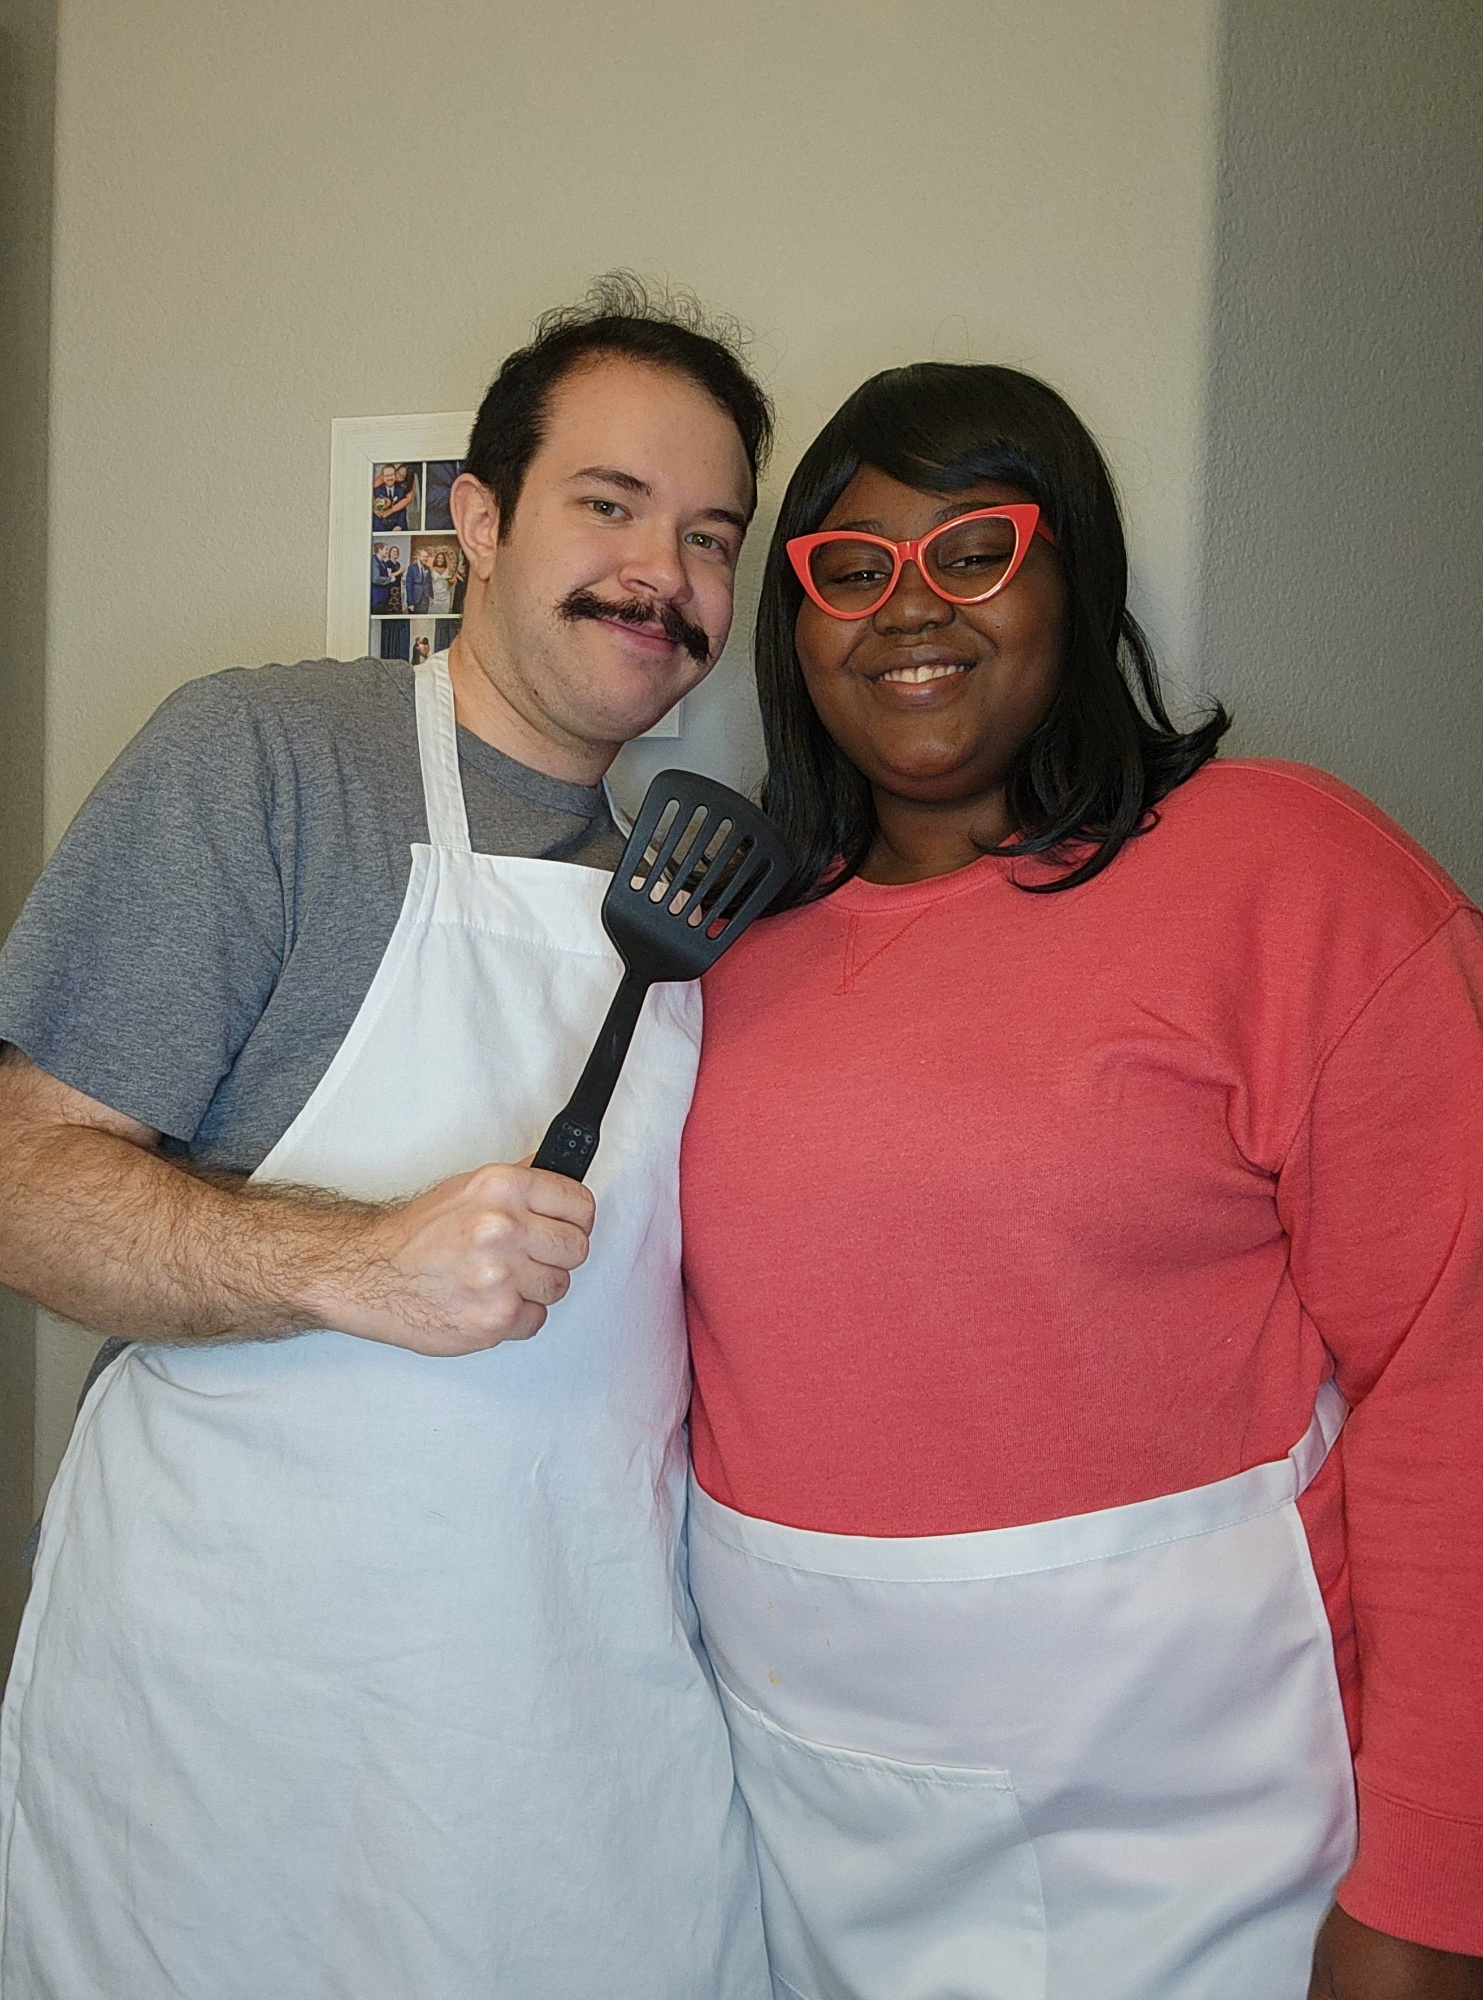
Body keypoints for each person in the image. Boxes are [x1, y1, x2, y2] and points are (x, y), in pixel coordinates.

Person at [0, 278, 774, 2000]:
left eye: (708, 538)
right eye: (608, 505)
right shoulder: (266, 762)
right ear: (477, 522)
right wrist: (357, 1262)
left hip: (562, 1704)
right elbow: (24, 1184)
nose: (660, 574)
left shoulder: (693, 901)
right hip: (235, 1719)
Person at [679, 363, 1483, 1999]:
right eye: (850, 567)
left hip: (1214, 1815)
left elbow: (1449, 1388)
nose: (911, 607)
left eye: (974, 548)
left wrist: (1430, 1885)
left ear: (1076, 575)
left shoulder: (1291, 880)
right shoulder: (723, 942)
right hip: (809, 1814)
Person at [405, 545, 433, 613]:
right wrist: (410, 603)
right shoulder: (412, 568)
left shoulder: (427, 569)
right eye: (424, 557)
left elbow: (429, 583)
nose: (425, 559)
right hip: (415, 599)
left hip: (425, 600)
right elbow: (409, 586)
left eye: (426, 557)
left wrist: (431, 596)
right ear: (418, 557)